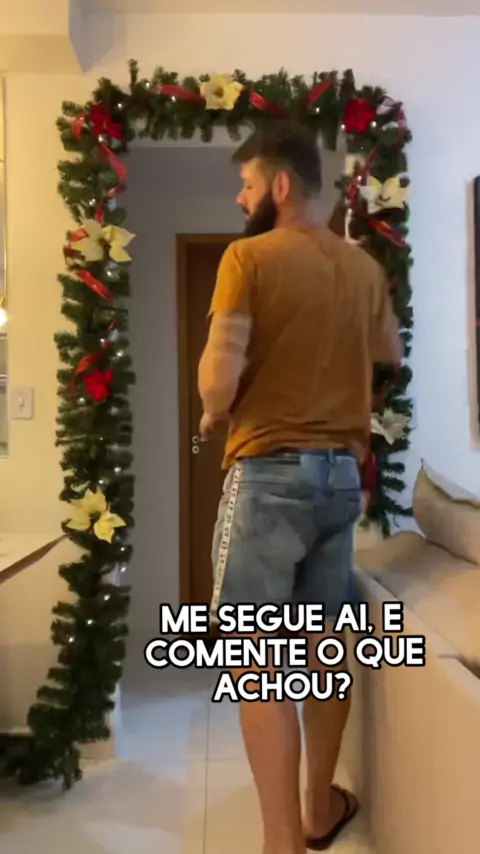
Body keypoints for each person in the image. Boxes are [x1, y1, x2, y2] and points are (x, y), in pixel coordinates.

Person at [197, 123, 402, 854]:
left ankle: (280, 843)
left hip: (268, 474)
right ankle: (318, 809)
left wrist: (214, 407)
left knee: (255, 664)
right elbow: (389, 352)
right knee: (323, 645)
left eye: (247, 184)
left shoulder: (246, 257)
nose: (241, 197)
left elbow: (218, 379)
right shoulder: (363, 267)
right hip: (339, 477)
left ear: (280, 186)